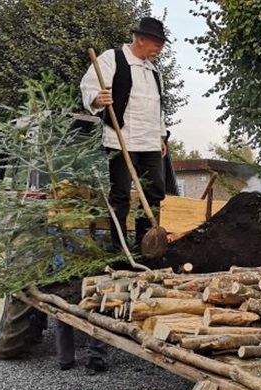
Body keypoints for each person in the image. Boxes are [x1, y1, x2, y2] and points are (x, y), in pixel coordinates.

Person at [80, 17, 169, 252]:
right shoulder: (112, 59)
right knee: (121, 195)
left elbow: (157, 106)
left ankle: (144, 244)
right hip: (121, 138)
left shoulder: (154, 71)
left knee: (154, 191)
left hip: (149, 141)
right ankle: (119, 247)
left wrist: (160, 136)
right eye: (157, 42)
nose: (160, 48)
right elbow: (89, 86)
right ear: (140, 39)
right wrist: (98, 98)